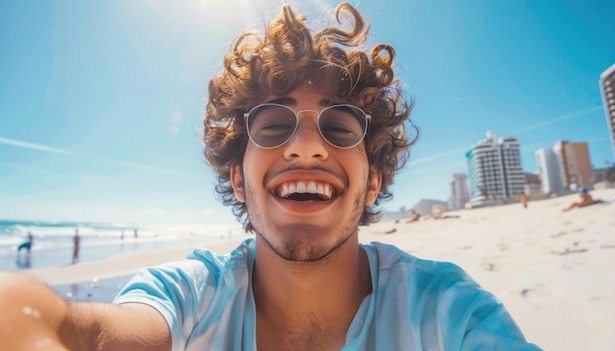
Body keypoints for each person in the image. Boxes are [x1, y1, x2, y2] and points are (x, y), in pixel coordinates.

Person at [0, 3, 540, 350]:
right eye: (274, 124)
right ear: (238, 179)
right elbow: (94, 335)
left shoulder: (451, 315)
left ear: (374, 181)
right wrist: (38, 316)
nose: (306, 146)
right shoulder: (189, 296)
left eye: (342, 127)